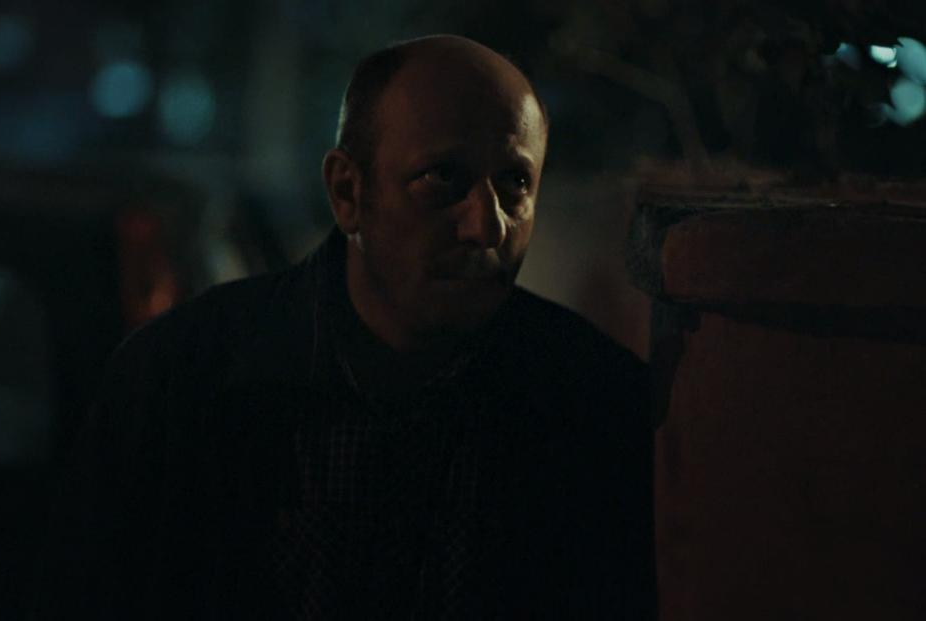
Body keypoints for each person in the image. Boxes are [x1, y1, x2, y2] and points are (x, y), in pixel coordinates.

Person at [33, 35, 655, 620]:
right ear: (347, 191)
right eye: (443, 178)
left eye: (515, 183)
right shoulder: (180, 381)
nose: (486, 226)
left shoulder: (595, 404)